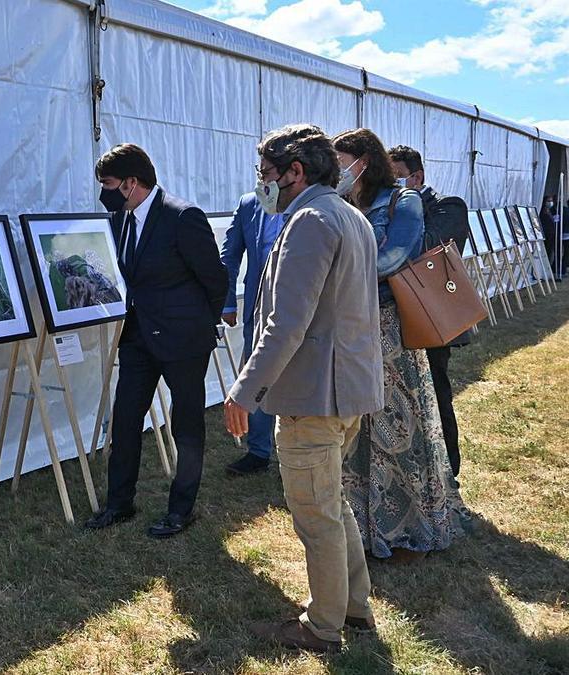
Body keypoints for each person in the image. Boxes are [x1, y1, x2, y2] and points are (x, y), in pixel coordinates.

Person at [224, 124, 382, 653]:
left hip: (317, 396)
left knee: (317, 517)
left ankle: (322, 627)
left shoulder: (311, 220)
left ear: (296, 172)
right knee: (332, 505)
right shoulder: (345, 215)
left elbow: (286, 323)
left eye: (266, 175)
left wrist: (244, 391)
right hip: (340, 392)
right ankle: (353, 607)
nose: (261, 185)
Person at [334, 129, 467, 563]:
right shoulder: (345, 202)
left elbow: (395, 257)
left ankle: (409, 526)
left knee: (397, 422)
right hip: (353, 323)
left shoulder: (402, 201)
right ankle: (365, 524)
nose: (339, 169)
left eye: (344, 161)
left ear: (364, 161)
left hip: (387, 326)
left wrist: (338, 277)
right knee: (359, 424)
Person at [85, 143, 228, 538]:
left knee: (186, 426)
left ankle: (181, 509)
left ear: (131, 183)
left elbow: (215, 280)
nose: (104, 193)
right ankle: (119, 503)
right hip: (138, 340)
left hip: (184, 342)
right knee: (126, 419)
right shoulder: (121, 221)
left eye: (109, 184)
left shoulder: (182, 218)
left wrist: (198, 325)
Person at [388, 145, 471, 477]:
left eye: (396, 179)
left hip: (431, 321)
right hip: (398, 319)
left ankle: (449, 472)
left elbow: (420, 247)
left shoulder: (447, 207)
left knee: (436, 396)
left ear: (416, 177)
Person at [220, 193, 284, 474]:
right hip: (258, 307)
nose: (263, 176)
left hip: (303, 306)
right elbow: (229, 254)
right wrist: (228, 300)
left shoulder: (309, 202)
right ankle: (259, 451)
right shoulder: (249, 203)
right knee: (256, 374)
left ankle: (301, 451)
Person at [540, 196, 560, 279]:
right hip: (547, 235)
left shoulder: (549, 211)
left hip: (551, 235)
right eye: (548, 201)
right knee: (547, 252)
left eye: (551, 201)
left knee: (550, 253)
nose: (550, 202)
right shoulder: (543, 212)